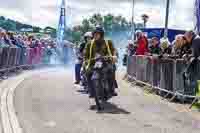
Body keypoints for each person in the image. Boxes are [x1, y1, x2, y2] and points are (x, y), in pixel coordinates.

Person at [84, 26, 118, 97]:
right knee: (87, 72)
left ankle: (112, 89)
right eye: (94, 34)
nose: (95, 35)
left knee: (112, 69)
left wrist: (114, 56)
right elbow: (86, 54)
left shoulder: (108, 42)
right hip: (93, 63)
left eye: (97, 34)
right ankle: (91, 91)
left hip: (106, 62)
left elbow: (114, 50)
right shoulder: (90, 44)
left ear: (101, 34)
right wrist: (85, 61)